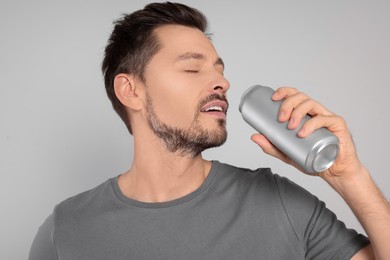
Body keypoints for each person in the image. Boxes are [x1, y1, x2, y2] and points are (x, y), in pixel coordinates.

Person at [29, 2, 390, 259]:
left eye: (219, 69)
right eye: (192, 69)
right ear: (131, 90)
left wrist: (349, 176)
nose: (222, 82)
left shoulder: (280, 203)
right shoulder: (65, 231)